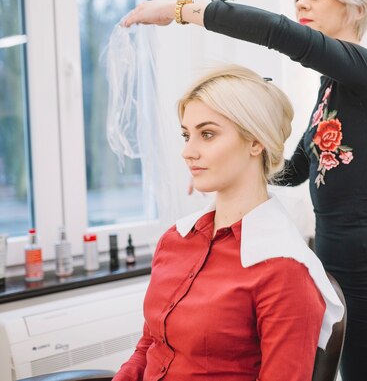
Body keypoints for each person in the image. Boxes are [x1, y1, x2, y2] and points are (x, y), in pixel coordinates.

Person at [123, 0, 367, 379]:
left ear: (356, 6)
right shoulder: (330, 87)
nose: (302, 2)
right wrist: (228, 165)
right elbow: (294, 169)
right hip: (333, 255)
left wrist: (180, 10)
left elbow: (280, 33)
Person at [112, 64, 344, 381]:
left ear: (255, 141)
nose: (187, 151)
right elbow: (150, 344)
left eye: (207, 134)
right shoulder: (175, 241)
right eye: (186, 135)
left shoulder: (283, 272)